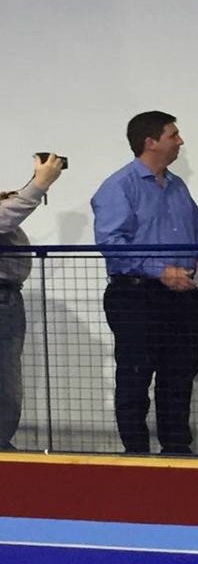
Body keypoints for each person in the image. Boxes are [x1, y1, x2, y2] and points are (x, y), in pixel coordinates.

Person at [91, 111, 198, 455]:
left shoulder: (177, 185)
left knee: (179, 375)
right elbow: (112, 244)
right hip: (136, 295)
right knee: (136, 375)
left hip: (181, 295)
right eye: (173, 135)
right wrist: (160, 271)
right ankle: (136, 453)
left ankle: (176, 449)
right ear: (150, 142)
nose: (180, 141)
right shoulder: (119, 186)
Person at [0, 154, 64, 451]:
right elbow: (7, 217)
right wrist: (40, 183)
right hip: (3, 299)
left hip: (7, 298)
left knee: (7, 378)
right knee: (5, 379)